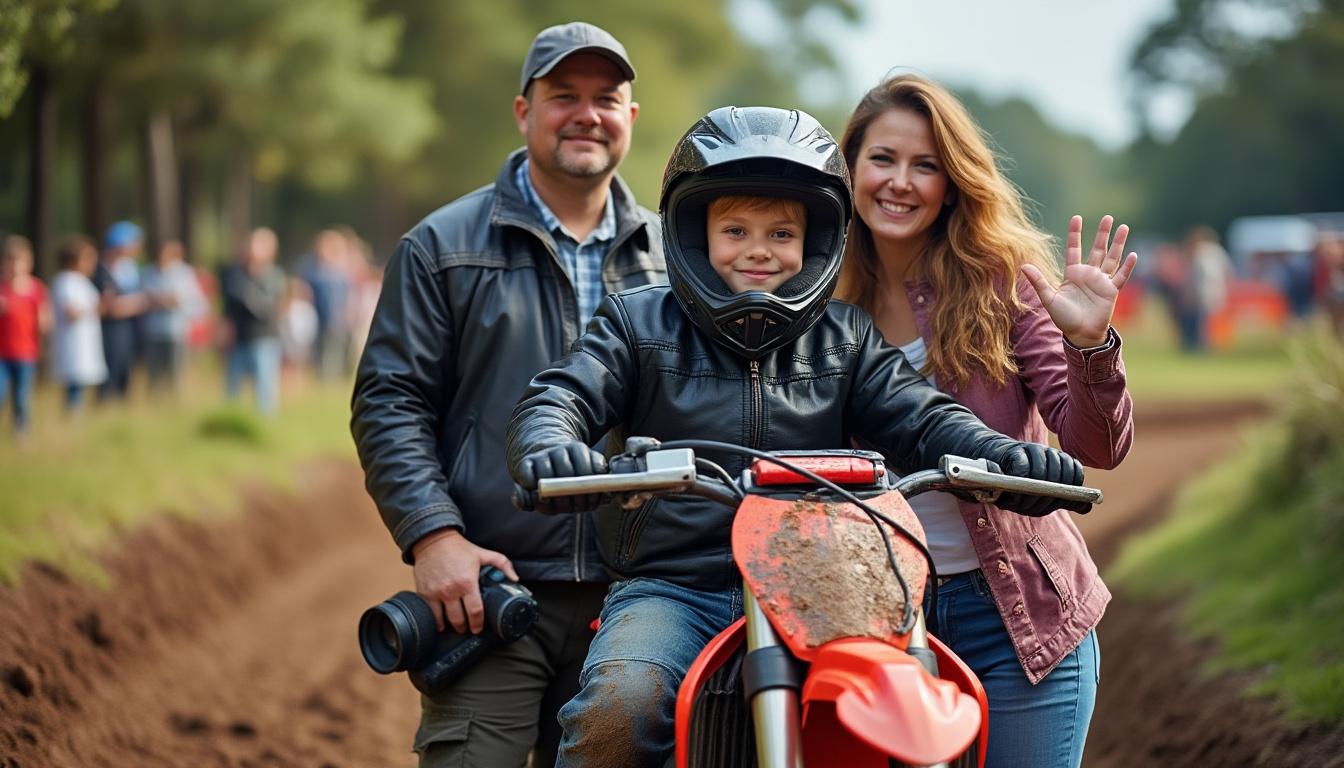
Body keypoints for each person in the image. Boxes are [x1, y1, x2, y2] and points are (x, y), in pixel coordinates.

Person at [506, 106, 1097, 768]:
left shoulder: (845, 339)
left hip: (825, 582)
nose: (758, 249)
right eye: (734, 230)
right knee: (623, 701)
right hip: (675, 585)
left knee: (888, 708)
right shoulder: (637, 321)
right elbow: (563, 393)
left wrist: (999, 453)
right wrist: (549, 442)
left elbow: (924, 415)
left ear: (817, 240)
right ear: (692, 234)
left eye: (781, 232)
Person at [350, 21, 664, 768]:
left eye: (606, 98)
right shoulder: (440, 247)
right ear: (523, 111)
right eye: (564, 97)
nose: (587, 114)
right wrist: (434, 537)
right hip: (491, 596)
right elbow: (389, 404)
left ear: (631, 119)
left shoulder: (674, 259)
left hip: (636, 607)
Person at [833, 74, 1137, 768]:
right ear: (849, 168)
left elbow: (1097, 445)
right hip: (872, 621)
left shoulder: (1004, 279)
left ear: (952, 181)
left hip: (1016, 616)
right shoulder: (817, 298)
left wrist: (1089, 345)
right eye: (882, 159)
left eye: (926, 165)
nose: (900, 182)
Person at [220, 227, 285, 415]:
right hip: (238, 340)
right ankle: (230, 421)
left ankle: (263, 425)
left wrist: (247, 294)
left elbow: (267, 308)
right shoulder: (235, 275)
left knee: (265, 391)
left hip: (264, 340)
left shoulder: (274, 276)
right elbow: (228, 309)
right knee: (232, 389)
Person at [93, 220, 150, 402]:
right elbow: (111, 309)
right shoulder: (101, 271)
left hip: (128, 332)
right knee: (109, 375)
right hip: (109, 332)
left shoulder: (129, 268)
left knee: (125, 375)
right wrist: (136, 303)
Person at [49, 235, 108, 413]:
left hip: (83, 345)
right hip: (73, 346)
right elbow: (71, 312)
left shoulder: (81, 282)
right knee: (74, 390)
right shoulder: (65, 281)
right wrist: (95, 308)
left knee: (79, 389)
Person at [0, 235, 51, 437]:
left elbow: (45, 320)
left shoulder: (36, 289)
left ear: (28, 263)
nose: (14, 266)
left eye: (18, 261)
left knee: (21, 397)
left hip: (25, 352)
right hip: (2, 353)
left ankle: (21, 432)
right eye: (10, 261)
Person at [141, 239, 207, 393]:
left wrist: (177, 302)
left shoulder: (185, 274)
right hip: (153, 331)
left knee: (175, 373)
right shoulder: (148, 273)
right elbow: (142, 299)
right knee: (154, 373)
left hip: (176, 331)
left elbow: (198, 304)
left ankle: (173, 398)